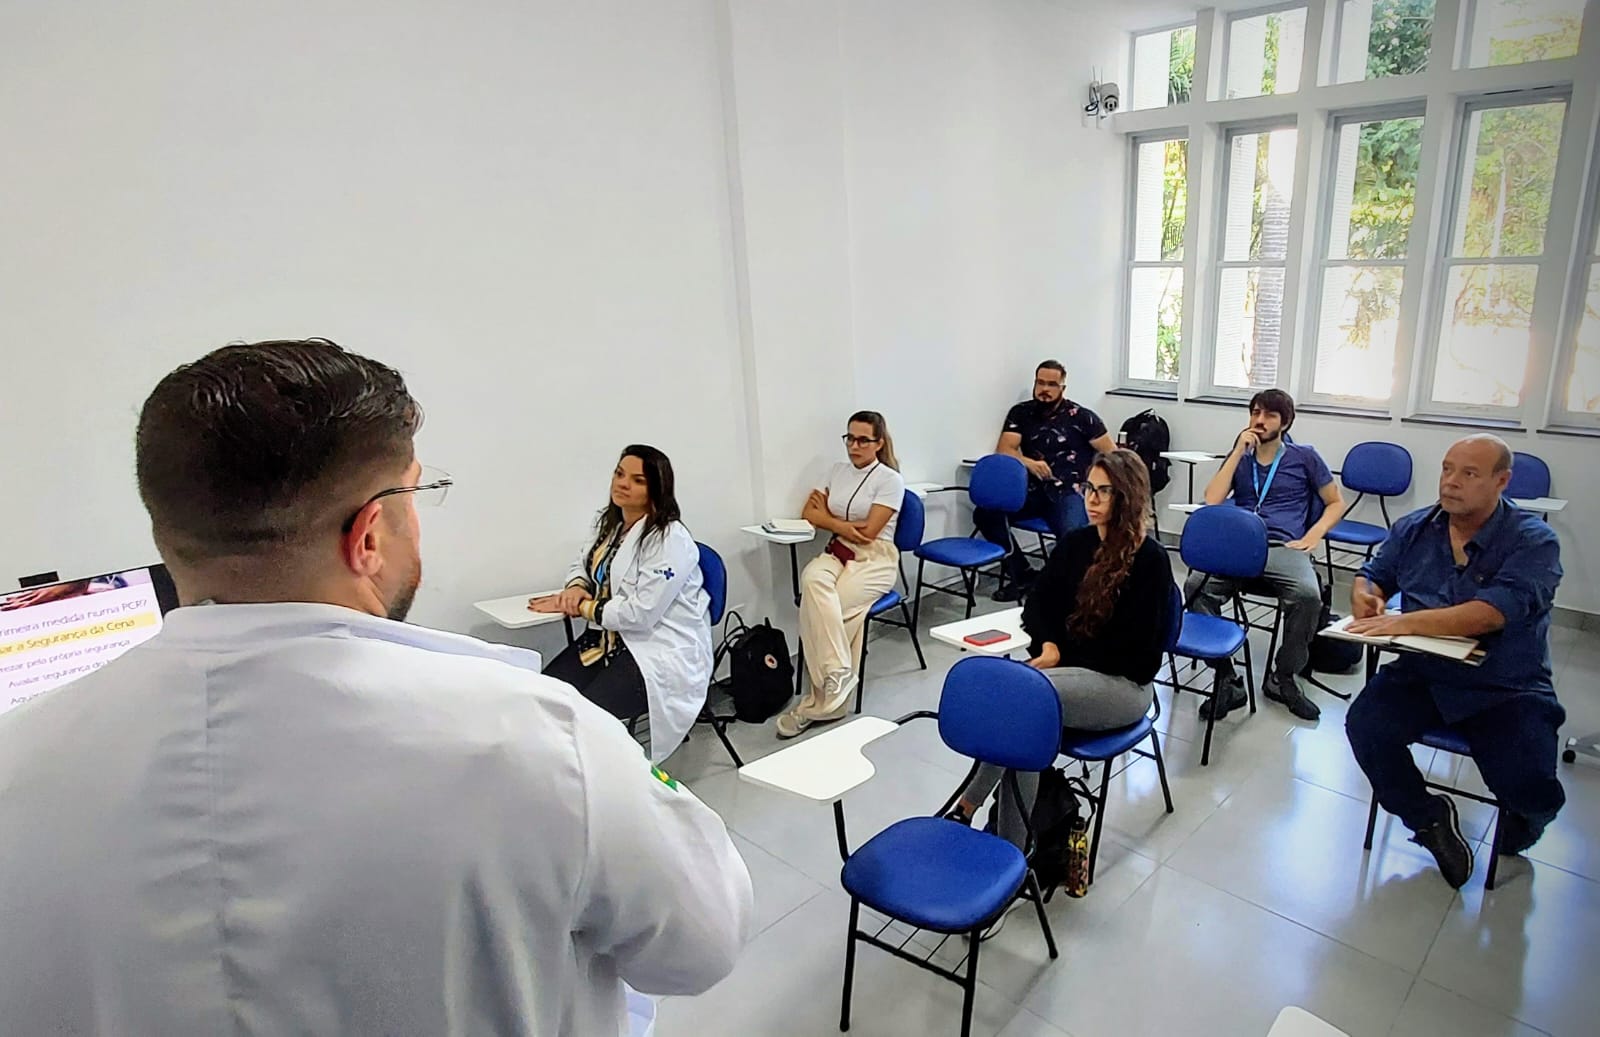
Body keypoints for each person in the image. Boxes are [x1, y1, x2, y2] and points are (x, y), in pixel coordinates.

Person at [0, 339, 752, 1035]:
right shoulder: (540, 739)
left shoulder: (21, 762)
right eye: (417, 496)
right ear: (367, 537)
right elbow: (704, 938)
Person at [1344, 435, 1566, 889]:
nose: (1451, 482)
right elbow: (1374, 573)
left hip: (1504, 684)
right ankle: (1429, 820)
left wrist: (1405, 624)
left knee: (1528, 783)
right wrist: (1366, 595)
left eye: (1469, 473)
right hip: (1425, 672)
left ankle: (1527, 822)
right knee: (1366, 726)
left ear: (1501, 482)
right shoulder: (1415, 527)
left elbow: (1490, 613)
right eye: (1447, 469)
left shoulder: (1533, 541)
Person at [948, 449, 1175, 847]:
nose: (1092, 499)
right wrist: (1050, 644)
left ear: (1129, 497)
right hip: (1068, 674)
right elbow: (1037, 603)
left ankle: (997, 839)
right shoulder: (1077, 543)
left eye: (1105, 492)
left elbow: (1136, 655)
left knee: (1027, 701)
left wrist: (1061, 660)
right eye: (1089, 488)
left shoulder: (1150, 561)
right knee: (1024, 712)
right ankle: (992, 831)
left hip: (1124, 686)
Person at [530, 445, 713, 763]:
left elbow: (640, 614)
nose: (623, 484)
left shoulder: (668, 539)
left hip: (656, 651)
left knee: (584, 719)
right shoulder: (611, 525)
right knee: (544, 698)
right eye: (619, 474)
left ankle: (604, 785)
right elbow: (584, 563)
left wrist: (583, 607)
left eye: (637, 480)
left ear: (657, 488)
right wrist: (576, 588)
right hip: (608, 639)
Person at [1185, 389, 1344, 722]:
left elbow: (1335, 502)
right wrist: (1236, 453)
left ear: (1284, 422)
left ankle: (1282, 676)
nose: (1259, 420)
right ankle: (1228, 679)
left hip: (1282, 547)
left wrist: (1312, 535)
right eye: (1255, 412)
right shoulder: (1240, 456)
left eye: (1269, 415)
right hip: (1238, 545)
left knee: (1308, 595)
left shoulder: (1305, 457)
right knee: (1196, 586)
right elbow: (1212, 500)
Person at [775, 411, 905, 739]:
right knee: (813, 581)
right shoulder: (836, 471)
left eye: (863, 440)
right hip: (838, 550)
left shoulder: (889, 480)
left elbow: (871, 531)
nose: (854, 446)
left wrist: (828, 517)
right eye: (850, 438)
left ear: (879, 443)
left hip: (876, 560)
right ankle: (838, 675)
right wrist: (841, 525)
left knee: (831, 609)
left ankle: (820, 704)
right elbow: (809, 512)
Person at [976, 360, 1116, 601]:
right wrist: (1028, 462)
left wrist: (1100, 489)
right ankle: (1023, 575)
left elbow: (1112, 455)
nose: (1045, 389)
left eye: (1052, 384)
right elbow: (1004, 450)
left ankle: (1063, 589)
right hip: (1031, 490)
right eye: (1040, 382)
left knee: (1074, 537)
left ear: (1063, 387)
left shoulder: (1082, 417)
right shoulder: (1021, 413)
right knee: (986, 514)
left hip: (1069, 491)